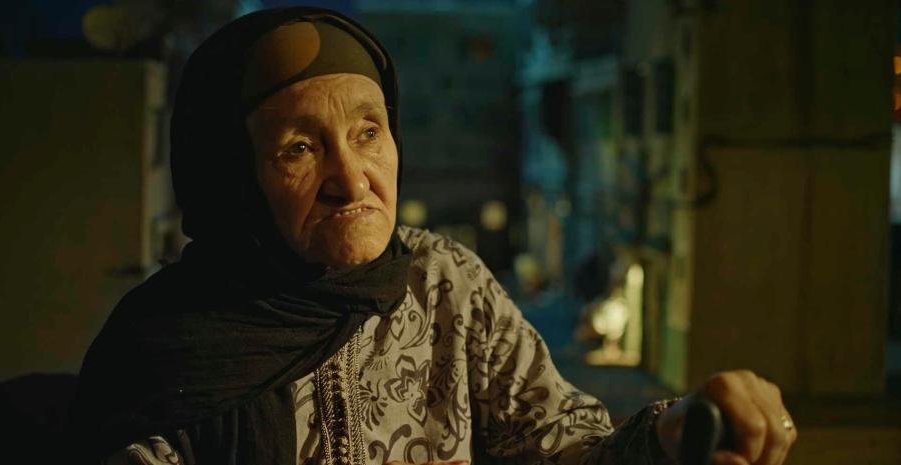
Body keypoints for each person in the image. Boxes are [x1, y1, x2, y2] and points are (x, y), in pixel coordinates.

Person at [70, 7, 796, 465]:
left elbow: (562, 446)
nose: (352, 180)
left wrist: (672, 436)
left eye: (368, 132)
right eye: (299, 148)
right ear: (234, 182)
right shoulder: (170, 347)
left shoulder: (443, 280)